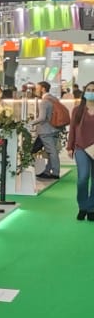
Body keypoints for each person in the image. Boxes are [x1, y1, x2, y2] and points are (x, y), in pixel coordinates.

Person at [70, 87, 94, 220]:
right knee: (83, 178)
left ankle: (91, 208)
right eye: (89, 89)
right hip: (81, 148)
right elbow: (72, 129)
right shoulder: (77, 110)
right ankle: (82, 206)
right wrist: (70, 147)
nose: (91, 92)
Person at [34, 81, 62, 180]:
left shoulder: (44, 101)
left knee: (52, 152)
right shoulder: (54, 99)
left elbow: (42, 118)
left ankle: (55, 172)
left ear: (43, 89)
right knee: (52, 151)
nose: (36, 90)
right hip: (55, 128)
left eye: (37, 88)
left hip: (45, 130)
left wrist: (31, 123)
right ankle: (47, 170)